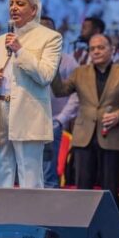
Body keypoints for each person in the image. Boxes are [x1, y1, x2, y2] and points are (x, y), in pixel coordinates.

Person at [0, 0, 62, 189]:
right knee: (1, 174)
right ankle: (1, 221)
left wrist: (19, 50)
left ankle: (31, 221)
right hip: (0, 111)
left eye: (20, 3)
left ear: (33, 9)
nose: (13, 8)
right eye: (11, 3)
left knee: (30, 176)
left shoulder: (50, 37)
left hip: (28, 113)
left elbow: (45, 75)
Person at [51, 33, 119, 194]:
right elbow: (60, 91)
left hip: (111, 136)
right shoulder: (80, 72)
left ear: (112, 50)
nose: (96, 51)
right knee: (83, 189)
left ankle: (107, 219)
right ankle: (83, 220)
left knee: (109, 189)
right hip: (84, 137)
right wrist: (53, 69)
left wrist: (118, 115)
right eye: (92, 49)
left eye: (101, 47)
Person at [40, 15, 78, 188]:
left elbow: (77, 94)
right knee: (25, 173)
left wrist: (61, 119)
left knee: (48, 175)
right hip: (27, 122)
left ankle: (48, 213)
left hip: (53, 123)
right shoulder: (22, 57)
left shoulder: (68, 61)